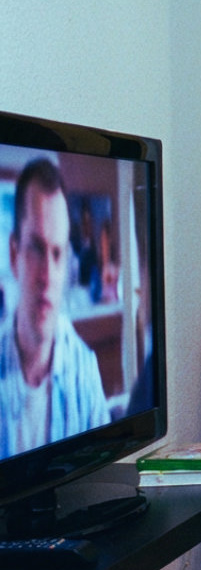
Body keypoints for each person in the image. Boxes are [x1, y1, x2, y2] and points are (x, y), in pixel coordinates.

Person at [1, 158, 109, 459]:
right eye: (36, 249)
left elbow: (103, 474)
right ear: (14, 254)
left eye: (57, 253)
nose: (47, 276)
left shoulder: (85, 371)